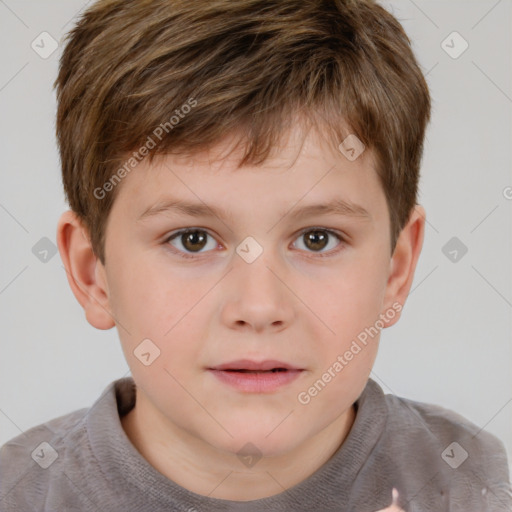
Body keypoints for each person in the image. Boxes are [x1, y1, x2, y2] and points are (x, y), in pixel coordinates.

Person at [1, 1, 510, 510]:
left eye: (317, 239)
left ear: (396, 271)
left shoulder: (477, 486)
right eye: (193, 239)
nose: (260, 306)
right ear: (94, 274)